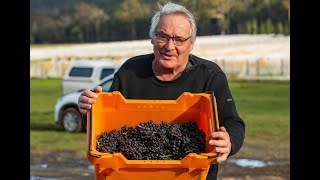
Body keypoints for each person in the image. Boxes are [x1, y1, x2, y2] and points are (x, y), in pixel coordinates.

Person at [78, 2, 245, 179]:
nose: (169, 46)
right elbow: (105, 129)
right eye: (162, 36)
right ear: (152, 38)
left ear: (191, 44)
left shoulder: (210, 76)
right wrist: (88, 110)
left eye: (179, 39)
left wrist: (229, 142)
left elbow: (233, 123)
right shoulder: (129, 73)